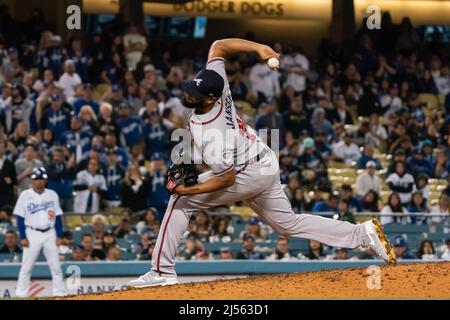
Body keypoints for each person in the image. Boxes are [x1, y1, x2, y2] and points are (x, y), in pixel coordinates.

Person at [128, 38, 396, 288]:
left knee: (178, 202)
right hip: (263, 160)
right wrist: (259, 48)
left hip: (244, 173)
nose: (188, 94)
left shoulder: (214, 135)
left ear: (210, 98)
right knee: (287, 224)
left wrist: (186, 191)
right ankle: (363, 234)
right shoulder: (216, 84)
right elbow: (219, 46)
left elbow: (226, 179)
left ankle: (162, 272)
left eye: (194, 93)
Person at [13, 167, 65, 297]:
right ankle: (21, 294)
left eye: (41, 178)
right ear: (32, 180)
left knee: (56, 267)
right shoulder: (25, 195)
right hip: (32, 233)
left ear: (45, 180)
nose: (39, 181)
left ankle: (59, 294)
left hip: (50, 232)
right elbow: (20, 218)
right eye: (36, 179)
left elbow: (58, 216)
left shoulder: (52, 194)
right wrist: (23, 237)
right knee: (26, 267)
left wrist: (59, 235)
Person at [0, 141, 16, 208]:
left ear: (5, 148)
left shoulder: (10, 164)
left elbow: (15, 181)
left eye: (1, 147)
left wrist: (11, 181)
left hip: (6, 196)